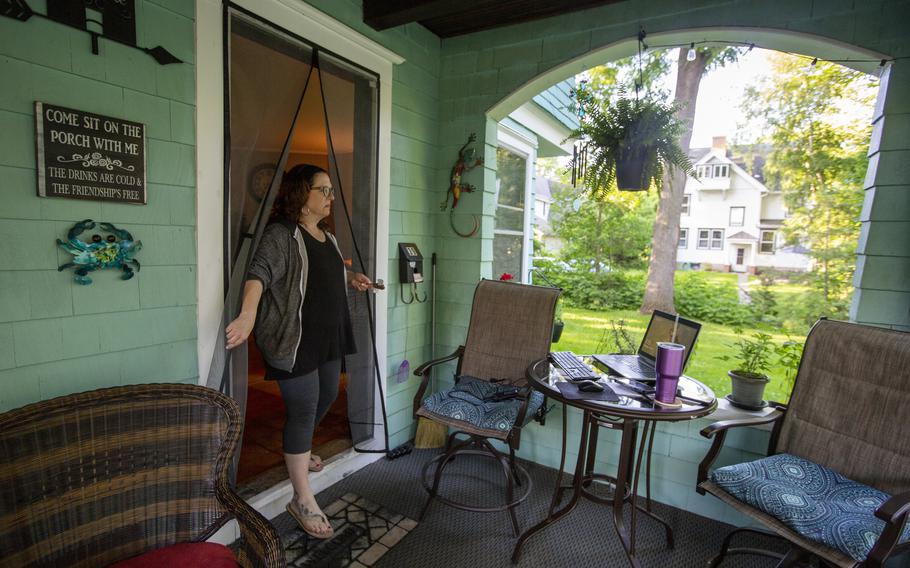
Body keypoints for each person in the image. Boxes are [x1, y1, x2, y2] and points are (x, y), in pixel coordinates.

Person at [225, 164, 373, 539]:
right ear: (301, 195)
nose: (330, 197)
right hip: (296, 338)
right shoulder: (281, 235)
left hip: (326, 335)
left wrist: (351, 278)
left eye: (329, 191)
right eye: (323, 190)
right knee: (304, 408)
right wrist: (246, 315)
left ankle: (302, 448)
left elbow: (328, 272)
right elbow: (259, 275)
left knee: (325, 396)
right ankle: (302, 497)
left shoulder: (327, 236)